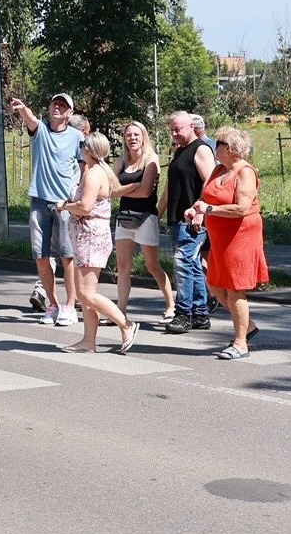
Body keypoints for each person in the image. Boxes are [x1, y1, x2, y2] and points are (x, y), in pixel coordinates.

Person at [189, 127, 269, 360]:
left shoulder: (245, 172)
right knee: (215, 285)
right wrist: (195, 209)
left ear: (232, 149)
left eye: (220, 143)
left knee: (235, 289)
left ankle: (241, 343)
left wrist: (209, 210)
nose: (215, 147)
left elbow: (242, 208)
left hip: (240, 236)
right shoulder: (218, 169)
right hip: (220, 238)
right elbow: (205, 198)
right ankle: (248, 325)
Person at [6, 92, 81, 327]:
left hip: (64, 204)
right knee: (41, 256)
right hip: (39, 201)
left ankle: (70, 306)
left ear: (70, 113)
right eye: (54, 103)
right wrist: (22, 108)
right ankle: (54, 305)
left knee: (67, 256)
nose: (57, 107)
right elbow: (30, 119)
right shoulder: (41, 130)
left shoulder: (77, 137)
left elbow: (85, 165)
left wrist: (78, 194)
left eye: (63, 105)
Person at [60, 132, 136, 354]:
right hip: (85, 238)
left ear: (87, 149)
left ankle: (126, 325)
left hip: (90, 238)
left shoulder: (93, 173)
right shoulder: (96, 170)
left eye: (83, 146)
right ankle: (88, 341)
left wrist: (65, 206)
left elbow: (85, 207)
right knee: (86, 294)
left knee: (86, 294)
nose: (81, 149)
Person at [111, 120, 175, 324]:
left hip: (146, 217)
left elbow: (146, 192)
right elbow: (111, 190)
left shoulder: (151, 160)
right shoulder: (121, 162)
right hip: (124, 217)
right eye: (128, 135)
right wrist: (134, 186)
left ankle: (171, 306)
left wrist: (124, 189)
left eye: (136, 135)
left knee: (152, 265)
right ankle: (121, 311)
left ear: (143, 137)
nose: (132, 138)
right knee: (123, 267)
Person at [160, 111, 216, 334]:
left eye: (178, 129)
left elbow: (210, 182)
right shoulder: (180, 150)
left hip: (193, 219)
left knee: (183, 263)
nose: (174, 134)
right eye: (172, 130)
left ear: (191, 126)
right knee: (192, 265)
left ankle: (183, 314)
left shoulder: (201, 149)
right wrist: (158, 213)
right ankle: (200, 313)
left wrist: (200, 210)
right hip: (179, 218)